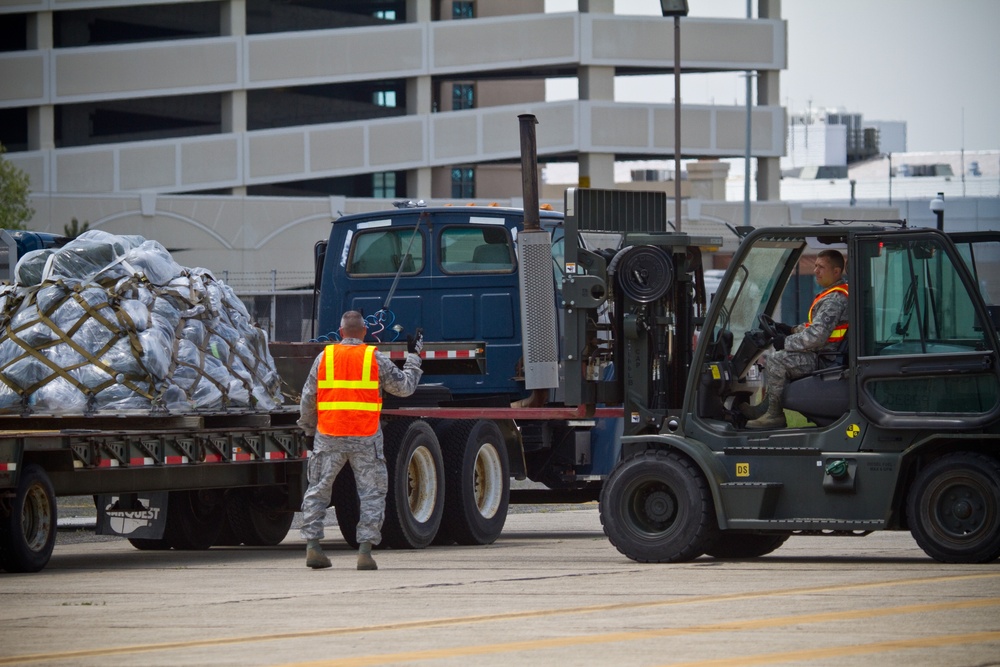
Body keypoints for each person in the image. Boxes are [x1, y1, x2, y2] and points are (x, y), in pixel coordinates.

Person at [298, 311, 423, 570]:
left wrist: (309, 431)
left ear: (341, 332)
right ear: (364, 333)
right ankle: (365, 551)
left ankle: (313, 547)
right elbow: (405, 388)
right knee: (371, 493)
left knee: (318, 490)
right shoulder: (374, 358)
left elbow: (308, 400)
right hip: (365, 437)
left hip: (329, 435)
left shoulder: (325, 358)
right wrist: (414, 356)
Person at [745, 249, 848, 429]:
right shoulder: (833, 295)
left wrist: (785, 342)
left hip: (826, 359)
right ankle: (766, 408)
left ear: (836, 272)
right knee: (781, 356)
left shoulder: (835, 299)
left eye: (821, 267)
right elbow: (816, 327)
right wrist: (790, 329)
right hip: (825, 354)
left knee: (777, 360)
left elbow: (816, 337)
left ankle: (774, 416)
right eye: (815, 266)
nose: (815, 270)